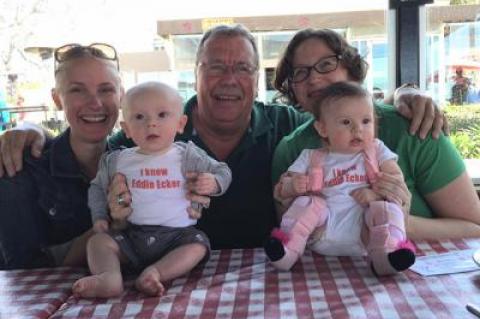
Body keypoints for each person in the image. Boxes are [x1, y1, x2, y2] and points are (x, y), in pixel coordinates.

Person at [0, 25, 448, 253]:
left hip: (271, 279)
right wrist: (31, 128)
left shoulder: (287, 129)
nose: (229, 79)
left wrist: (406, 93)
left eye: (243, 69)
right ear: (195, 75)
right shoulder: (146, 136)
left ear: (257, 79)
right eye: (216, 66)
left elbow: (341, 111)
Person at [271, 28, 480, 240]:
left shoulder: (414, 129)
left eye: (326, 64)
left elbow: (474, 226)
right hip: (326, 271)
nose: (313, 78)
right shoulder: (292, 150)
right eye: (300, 72)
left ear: (352, 71)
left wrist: (401, 223)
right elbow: (291, 236)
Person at [72, 82, 231, 298]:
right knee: (98, 242)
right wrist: (99, 215)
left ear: (180, 123)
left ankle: (154, 273)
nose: (151, 124)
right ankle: (109, 277)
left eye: (162, 115)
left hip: (177, 238)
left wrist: (213, 182)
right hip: (130, 236)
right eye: (139, 117)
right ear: (126, 128)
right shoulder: (118, 160)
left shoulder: (189, 155)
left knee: (199, 245)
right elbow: (97, 188)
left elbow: (223, 171)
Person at [264, 82, 415, 276]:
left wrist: (375, 194)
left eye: (366, 121)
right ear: (322, 128)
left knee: (387, 209)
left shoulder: (376, 150)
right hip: (321, 232)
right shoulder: (311, 157)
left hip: (366, 235)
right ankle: (287, 251)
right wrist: (292, 186)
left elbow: (394, 180)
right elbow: (281, 190)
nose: (358, 130)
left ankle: (388, 256)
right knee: (306, 204)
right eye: (346, 122)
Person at [0, 43, 124, 269]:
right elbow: (22, 269)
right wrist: (113, 226)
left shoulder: (135, 160)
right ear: (57, 99)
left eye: (106, 89)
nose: (95, 103)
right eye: (78, 90)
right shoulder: (20, 169)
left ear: (121, 96)